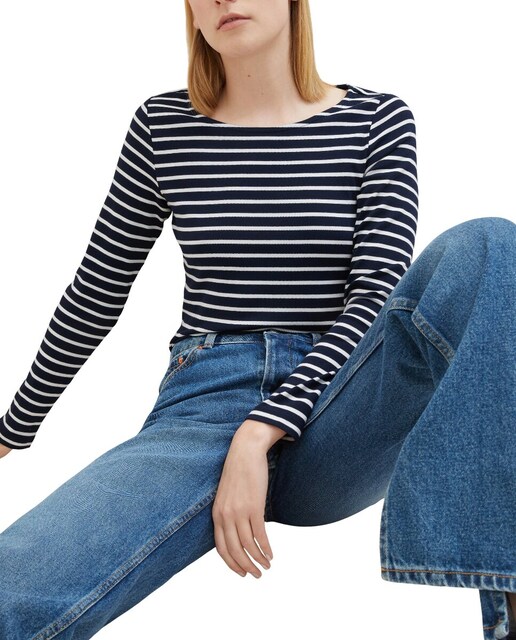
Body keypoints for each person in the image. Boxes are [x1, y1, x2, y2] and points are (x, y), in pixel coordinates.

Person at [0, 0, 514, 638]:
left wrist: (263, 428)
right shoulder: (162, 125)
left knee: (491, 247)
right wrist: (13, 427)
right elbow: (98, 290)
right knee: (10, 590)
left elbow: (376, 293)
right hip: (205, 404)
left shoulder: (377, 120)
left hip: (342, 399)